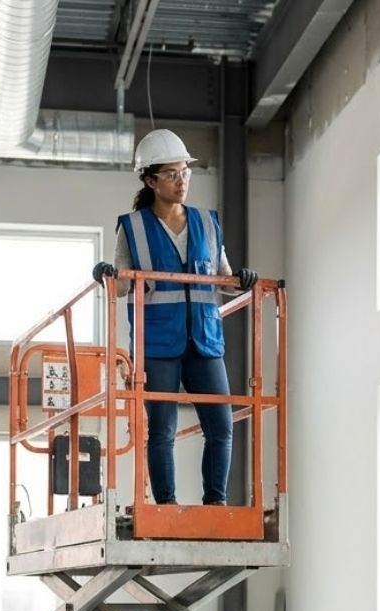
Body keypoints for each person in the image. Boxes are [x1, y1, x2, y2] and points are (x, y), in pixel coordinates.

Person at [92, 128, 258, 507]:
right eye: (171, 174)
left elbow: (224, 277)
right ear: (150, 180)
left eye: (185, 171)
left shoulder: (207, 223)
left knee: (221, 425)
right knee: (162, 430)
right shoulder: (132, 228)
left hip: (204, 340)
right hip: (158, 343)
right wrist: (104, 274)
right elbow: (119, 286)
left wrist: (241, 280)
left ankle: (214, 502)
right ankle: (165, 505)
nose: (181, 180)